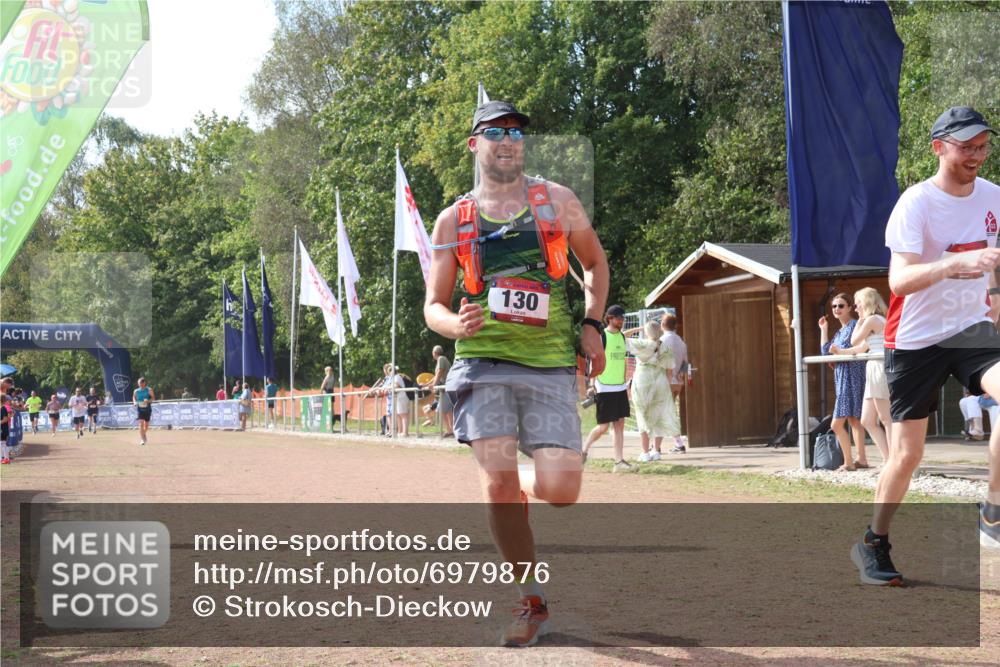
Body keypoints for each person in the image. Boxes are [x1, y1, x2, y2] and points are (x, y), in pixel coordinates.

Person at [424, 100, 608, 648]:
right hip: (482, 363)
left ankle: (519, 484)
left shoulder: (558, 201)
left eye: (516, 133)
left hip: (549, 362)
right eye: (495, 132)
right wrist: (455, 324)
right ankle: (531, 603)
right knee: (498, 486)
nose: (507, 141)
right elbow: (433, 305)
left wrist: (592, 324)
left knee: (561, 490)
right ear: (474, 144)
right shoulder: (452, 221)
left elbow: (595, 263)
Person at [851, 106, 1000, 587]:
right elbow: (898, 281)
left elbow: (992, 262)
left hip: (972, 328)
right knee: (906, 455)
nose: (976, 155)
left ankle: (993, 512)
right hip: (916, 338)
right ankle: (873, 541)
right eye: (966, 147)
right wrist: (954, 265)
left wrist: (994, 297)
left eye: (983, 146)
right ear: (939, 147)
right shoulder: (915, 203)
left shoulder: (994, 196)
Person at [829, 287, 892, 464]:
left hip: (879, 368)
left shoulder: (872, 320)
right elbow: (861, 348)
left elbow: (854, 340)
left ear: (866, 303)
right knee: (867, 420)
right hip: (872, 369)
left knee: (886, 418)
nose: (856, 309)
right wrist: (839, 352)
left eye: (857, 304)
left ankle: (894, 461)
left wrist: (859, 323)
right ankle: (888, 458)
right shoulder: (873, 321)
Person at [819, 293, 867, 470]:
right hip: (842, 377)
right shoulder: (840, 331)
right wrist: (824, 329)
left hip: (852, 377)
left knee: (837, 424)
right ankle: (861, 459)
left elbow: (853, 348)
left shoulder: (854, 326)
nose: (836, 309)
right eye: (834, 306)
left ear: (849, 308)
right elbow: (826, 352)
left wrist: (837, 351)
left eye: (841, 306)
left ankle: (849, 462)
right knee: (854, 419)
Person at [582, 305, 631, 471]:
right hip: (604, 387)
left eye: (623, 318)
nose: (621, 320)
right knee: (603, 427)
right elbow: (594, 361)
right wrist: (591, 384)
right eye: (619, 318)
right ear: (609, 318)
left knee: (620, 425)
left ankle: (619, 461)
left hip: (620, 387)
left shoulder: (622, 337)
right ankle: (583, 450)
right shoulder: (602, 336)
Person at [624, 320, 678, 461]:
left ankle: (645, 452)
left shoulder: (642, 344)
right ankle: (656, 451)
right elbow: (670, 370)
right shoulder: (666, 347)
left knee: (643, 415)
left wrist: (639, 328)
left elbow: (622, 336)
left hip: (642, 381)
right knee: (659, 416)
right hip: (660, 382)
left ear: (647, 332)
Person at [659, 312, 689, 452]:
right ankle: (677, 443)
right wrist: (681, 375)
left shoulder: (661, 341)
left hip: (666, 381)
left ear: (662, 324)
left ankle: (657, 447)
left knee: (662, 413)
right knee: (669, 413)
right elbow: (685, 363)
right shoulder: (681, 342)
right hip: (677, 382)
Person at [421, 345, 453, 436]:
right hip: (445, 388)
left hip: (445, 388)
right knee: (448, 411)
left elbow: (440, 372)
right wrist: (427, 384)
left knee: (441, 410)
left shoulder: (441, 359)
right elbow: (436, 376)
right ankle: (452, 430)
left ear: (434, 353)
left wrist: (434, 385)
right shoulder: (442, 359)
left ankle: (450, 431)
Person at [133, 377, 155, 446]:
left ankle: (143, 434)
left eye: (142, 383)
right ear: (138, 384)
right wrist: (134, 402)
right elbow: (134, 397)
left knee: (146, 425)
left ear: (145, 383)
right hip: (140, 409)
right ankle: (142, 439)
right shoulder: (136, 391)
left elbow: (153, 398)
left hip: (147, 409)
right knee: (141, 424)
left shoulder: (149, 390)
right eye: (139, 384)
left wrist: (148, 401)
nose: (141, 385)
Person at [1, 394, 11, 465]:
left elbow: (5, 419)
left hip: (3, 429)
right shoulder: (2, 408)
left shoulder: (3, 408)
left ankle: (6, 459)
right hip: (3, 428)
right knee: (2, 444)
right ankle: (3, 458)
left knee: (2, 444)